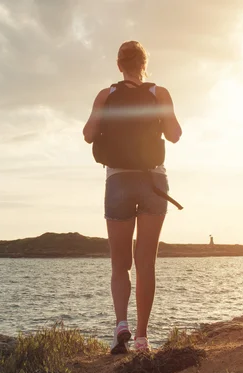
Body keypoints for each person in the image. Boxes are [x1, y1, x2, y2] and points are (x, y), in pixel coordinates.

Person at [82, 41, 182, 354]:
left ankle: (121, 325)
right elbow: (175, 134)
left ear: (119, 65)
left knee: (120, 263)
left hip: (118, 180)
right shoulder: (159, 93)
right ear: (144, 63)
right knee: (145, 263)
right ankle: (141, 338)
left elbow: (87, 134)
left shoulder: (106, 94)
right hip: (153, 181)